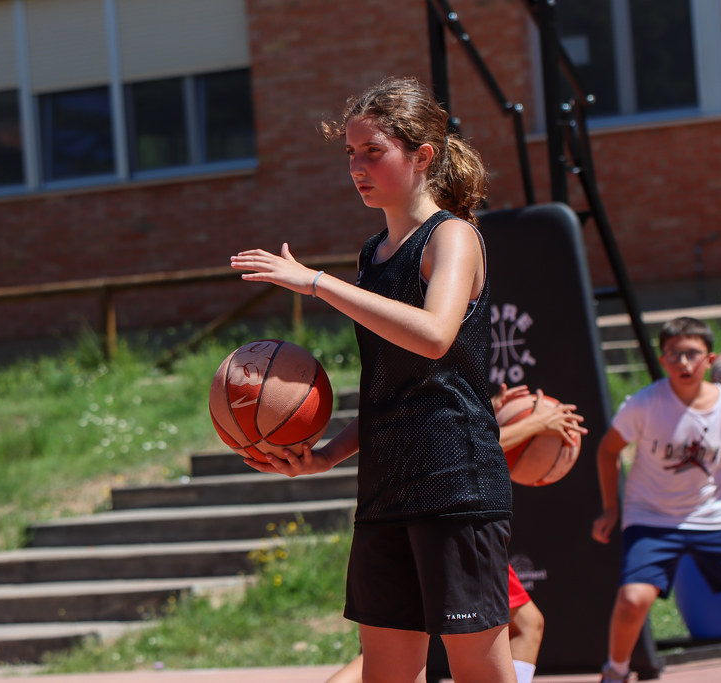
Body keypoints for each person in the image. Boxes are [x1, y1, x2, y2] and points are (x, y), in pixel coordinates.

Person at [231, 75, 515, 683]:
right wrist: (325, 454)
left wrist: (316, 282)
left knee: (479, 673)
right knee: (384, 674)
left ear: (422, 157)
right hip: (386, 488)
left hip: (456, 485)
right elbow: (394, 391)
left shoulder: (453, 237)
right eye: (350, 154)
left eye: (373, 152)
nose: (357, 167)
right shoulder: (373, 255)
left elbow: (436, 335)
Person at [326, 384, 587, 683]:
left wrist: (488, 407)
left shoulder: (408, 386)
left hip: (423, 511)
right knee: (402, 649)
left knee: (396, 651)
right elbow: (462, 453)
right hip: (448, 517)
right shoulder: (422, 370)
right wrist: (535, 424)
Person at [591, 316, 721, 683]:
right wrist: (611, 508)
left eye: (692, 354)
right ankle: (615, 672)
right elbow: (607, 450)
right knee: (634, 600)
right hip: (651, 518)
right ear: (662, 360)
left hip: (709, 516)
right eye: (675, 354)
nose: (684, 362)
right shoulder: (645, 404)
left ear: (709, 360)